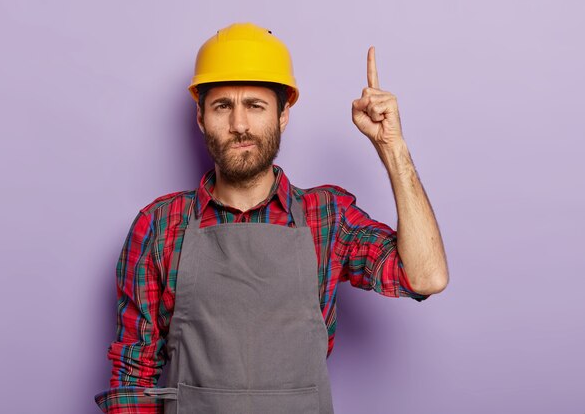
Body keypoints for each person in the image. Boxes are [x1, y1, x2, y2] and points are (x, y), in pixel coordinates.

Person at [95, 22, 448, 414]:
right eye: (222, 106)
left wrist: (392, 147)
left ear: (283, 115)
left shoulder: (327, 218)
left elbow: (425, 276)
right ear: (200, 118)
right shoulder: (159, 226)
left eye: (255, 105)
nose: (239, 124)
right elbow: (132, 379)